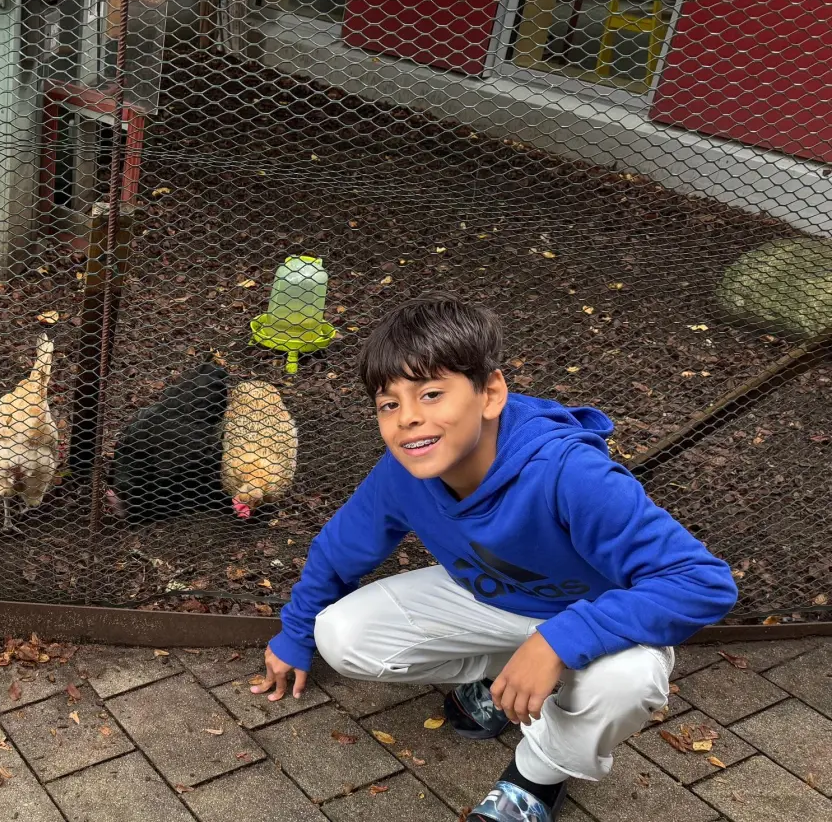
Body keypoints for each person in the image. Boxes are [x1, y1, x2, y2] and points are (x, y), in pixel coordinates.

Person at [253, 293, 737, 822]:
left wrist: (558, 641)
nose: (408, 418)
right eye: (389, 404)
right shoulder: (403, 472)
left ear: (490, 394)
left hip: (599, 618)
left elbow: (703, 582)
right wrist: (295, 634)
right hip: (494, 598)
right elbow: (339, 550)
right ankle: (509, 678)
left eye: (431, 393)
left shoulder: (568, 472)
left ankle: (535, 779)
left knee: (626, 684)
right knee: (341, 636)